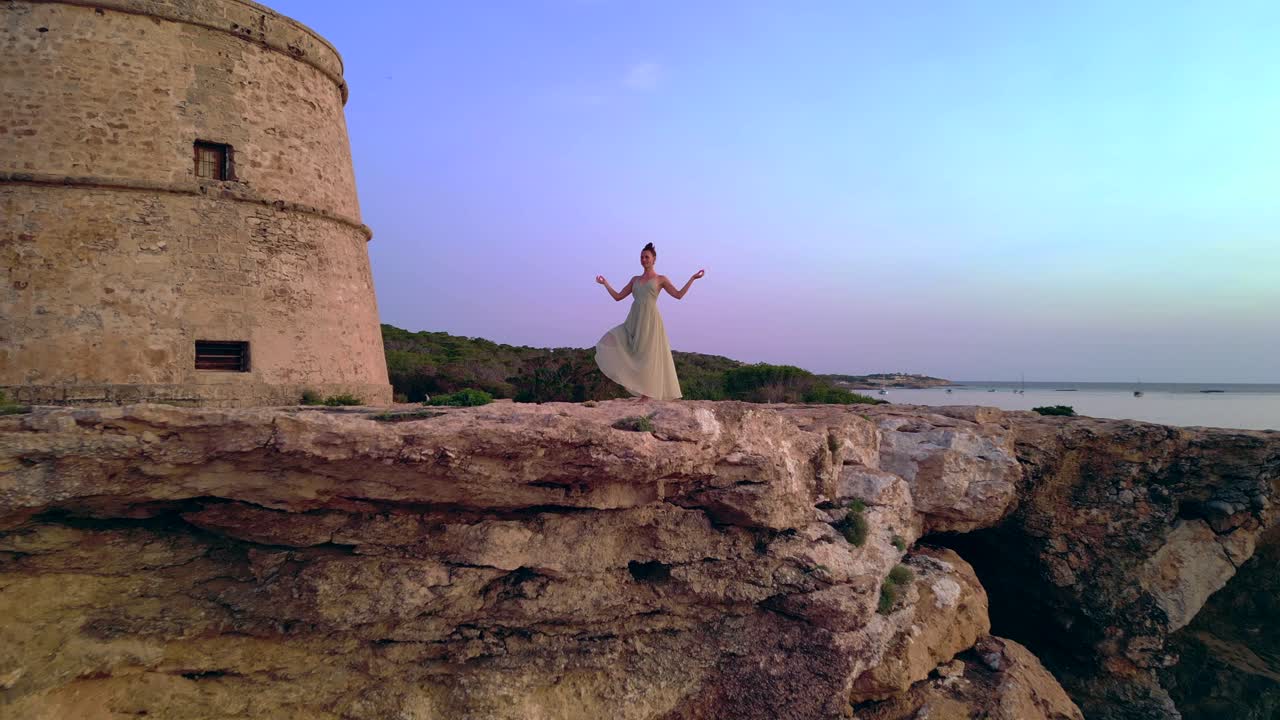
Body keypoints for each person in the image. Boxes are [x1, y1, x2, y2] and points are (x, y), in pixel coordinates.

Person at [594, 242, 704, 401]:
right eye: (641, 257)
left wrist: (692, 278)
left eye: (647, 257)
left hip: (651, 320)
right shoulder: (635, 279)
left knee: (648, 354)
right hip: (634, 319)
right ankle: (641, 389)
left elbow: (678, 295)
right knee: (620, 343)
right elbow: (618, 297)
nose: (644, 259)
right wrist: (605, 283)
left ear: (654, 260)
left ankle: (647, 394)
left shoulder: (661, 279)